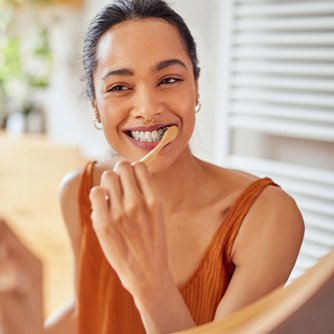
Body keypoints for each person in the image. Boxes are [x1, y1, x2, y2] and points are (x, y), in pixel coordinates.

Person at [0, 0, 304, 333]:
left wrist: (147, 277)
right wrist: (20, 313)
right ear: (97, 109)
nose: (147, 109)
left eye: (169, 80)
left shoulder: (268, 216)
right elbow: (88, 309)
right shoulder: (80, 192)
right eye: (119, 87)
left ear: (196, 87)